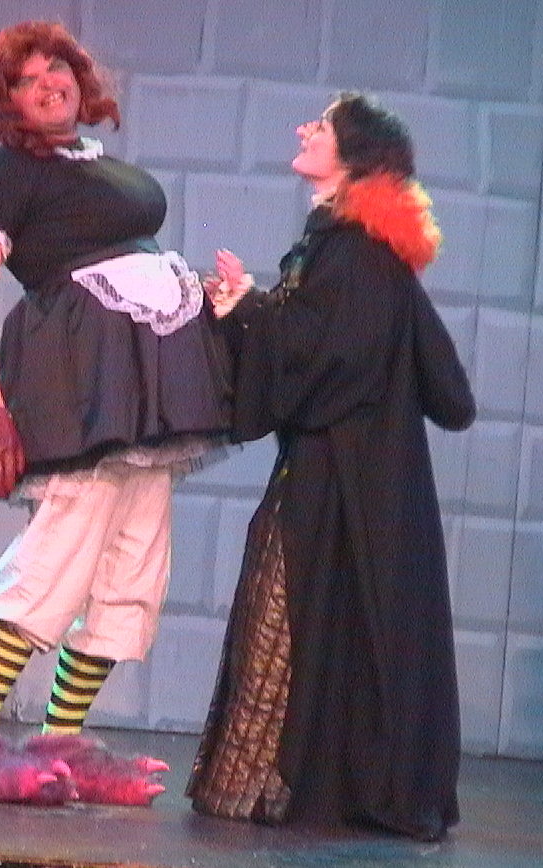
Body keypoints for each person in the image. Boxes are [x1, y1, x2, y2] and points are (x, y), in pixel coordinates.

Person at [0, 20, 232, 805]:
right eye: (26, 78)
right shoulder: (3, 169)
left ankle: (63, 741)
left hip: (143, 393)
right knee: (57, 559)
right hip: (80, 385)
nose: (48, 82)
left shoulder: (97, 165)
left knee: (132, 571)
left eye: (56, 67)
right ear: (6, 100)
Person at [186, 91, 475, 841]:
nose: (304, 128)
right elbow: (350, 352)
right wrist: (252, 307)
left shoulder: (357, 253)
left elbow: (328, 362)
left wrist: (252, 311)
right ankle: (313, 785)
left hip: (344, 482)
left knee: (295, 618)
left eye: (321, 125)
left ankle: (297, 785)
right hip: (348, 478)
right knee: (311, 620)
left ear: (353, 156)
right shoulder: (353, 249)